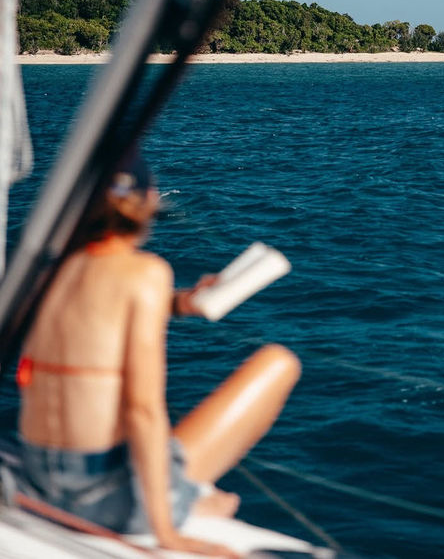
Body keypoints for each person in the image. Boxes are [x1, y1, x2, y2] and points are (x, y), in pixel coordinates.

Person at [16, 151, 301, 557]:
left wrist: (181, 303)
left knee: (201, 487)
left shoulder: (47, 273)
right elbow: (144, 412)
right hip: (98, 496)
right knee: (278, 362)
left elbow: (96, 311)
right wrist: (166, 531)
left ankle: (190, 492)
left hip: (37, 477)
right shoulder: (145, 273)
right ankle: (188, 497)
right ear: (148, 201)